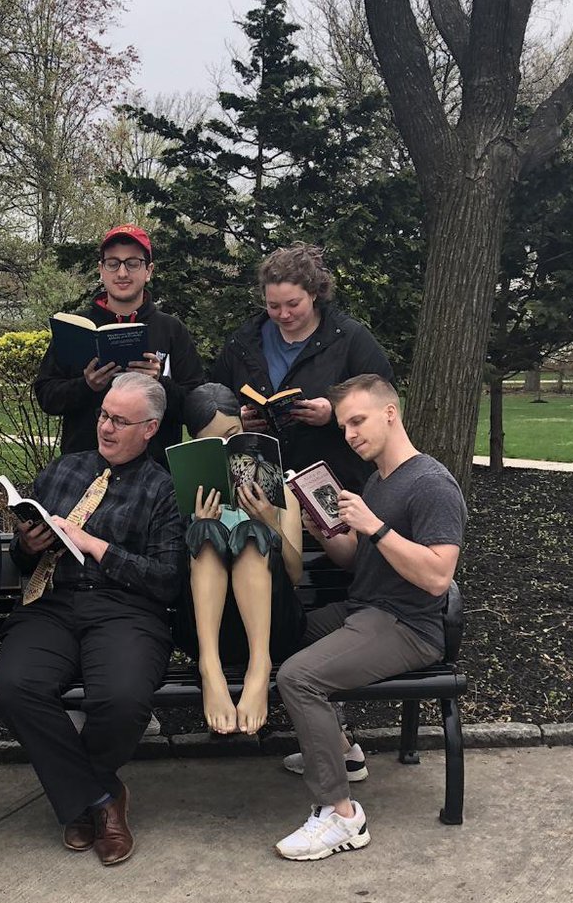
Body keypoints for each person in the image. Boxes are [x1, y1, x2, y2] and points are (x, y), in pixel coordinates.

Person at [0, 372, 185, 866]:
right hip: (52, 603)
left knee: (121, 698)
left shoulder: (164, 489)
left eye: (120, 421)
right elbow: (22, 557)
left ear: (150, 428)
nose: (106, 428)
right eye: (103, 415)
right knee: (14, 685)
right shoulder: (62, 471)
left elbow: (167, 579)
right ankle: (100, 798)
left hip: (125, 610)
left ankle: (81, 797)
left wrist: (97, 546)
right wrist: (28, 546)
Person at [273, 374, 466, 861]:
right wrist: (318, 520)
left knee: (298, 678)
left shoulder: (430, 484)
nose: (350, 434)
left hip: (408, 626)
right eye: (343, 426)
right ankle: (342, 751)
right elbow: (354, 561)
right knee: (280, 634)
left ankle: (341, 816)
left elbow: (439, 577)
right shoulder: (379, 481)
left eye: (357, 421)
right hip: (365, 610)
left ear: (390, 412)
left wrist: (375, 527)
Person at [171, 384, 305, 735]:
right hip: (206, 631)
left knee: (250, 537)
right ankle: (210, 670)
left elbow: (293, 574)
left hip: (273, 628)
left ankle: (259, 670)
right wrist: (198, 525)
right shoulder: (187, 493)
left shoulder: (279, 492)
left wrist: (270, 522)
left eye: (232, 437)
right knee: (206, 534)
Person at [209, 243, 394, 490]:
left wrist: (333, 413)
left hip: (336, 483)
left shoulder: (350, 338)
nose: (283, 314)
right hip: (258, 485)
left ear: (314, 293)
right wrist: (234, 419)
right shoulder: (244, 340)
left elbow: (383, 399)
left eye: (293, 304)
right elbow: (213, 395)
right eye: (273, 306)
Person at [34, 224, 203, 464]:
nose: (122, 273)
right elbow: (46, 396)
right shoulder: (76, 328)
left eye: (133, 263)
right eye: (113, 263)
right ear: (101, 270)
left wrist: (160, 383)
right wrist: (86, 386)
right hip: (82, 467)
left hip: (154, 476)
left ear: (148, 271)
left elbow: (196, 406)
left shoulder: (171, 330)